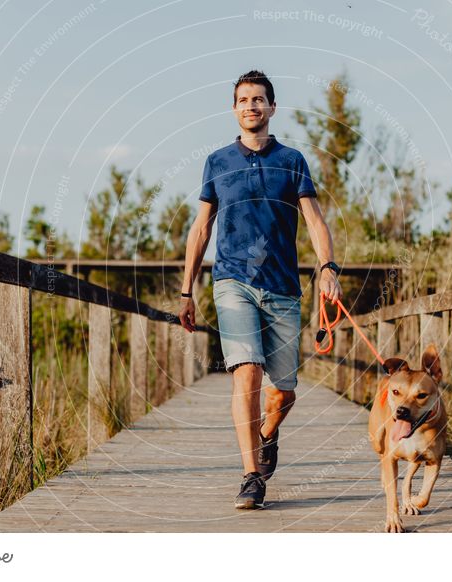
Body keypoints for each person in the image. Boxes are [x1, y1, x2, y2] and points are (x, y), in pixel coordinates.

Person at [178, 70, 342, 509]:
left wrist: (327, 267)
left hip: (284, 289)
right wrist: (186, 290)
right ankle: (251, 475)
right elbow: (201, 228)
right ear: (234, 109)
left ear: (271, 108)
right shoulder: (217, 162)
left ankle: (268, 433)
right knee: (246, 373)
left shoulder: (292, 161)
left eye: (259, 99)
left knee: (283, 391)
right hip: (232, 283)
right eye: (244, 99)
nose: (251, 105)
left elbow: (313, 220)